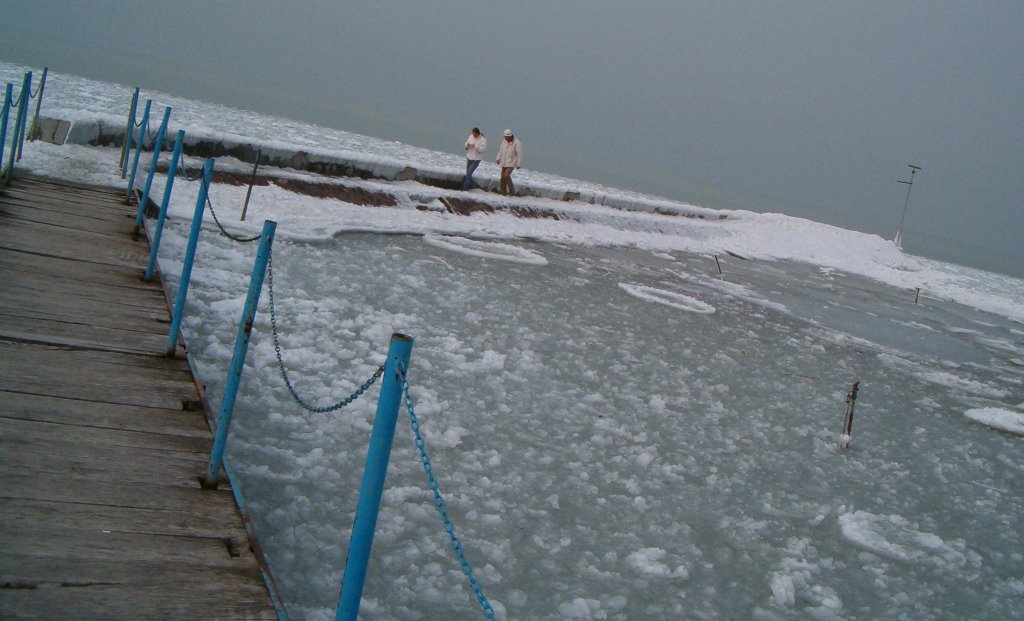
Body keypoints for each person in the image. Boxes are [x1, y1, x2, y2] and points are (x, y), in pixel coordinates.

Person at [495, 129, 523, 196]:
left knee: (506, 176)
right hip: (503, 162)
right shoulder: (503, 142)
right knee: (502, 177)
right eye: (504, 136)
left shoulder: (517, 142)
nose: (505, 138)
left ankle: (512, 191)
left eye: (506, 136)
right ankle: (502, 192)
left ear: (510, 136)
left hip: (511, 163)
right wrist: (498, 158)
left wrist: (518, 163)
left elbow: (519, 154)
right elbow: (500, 151)